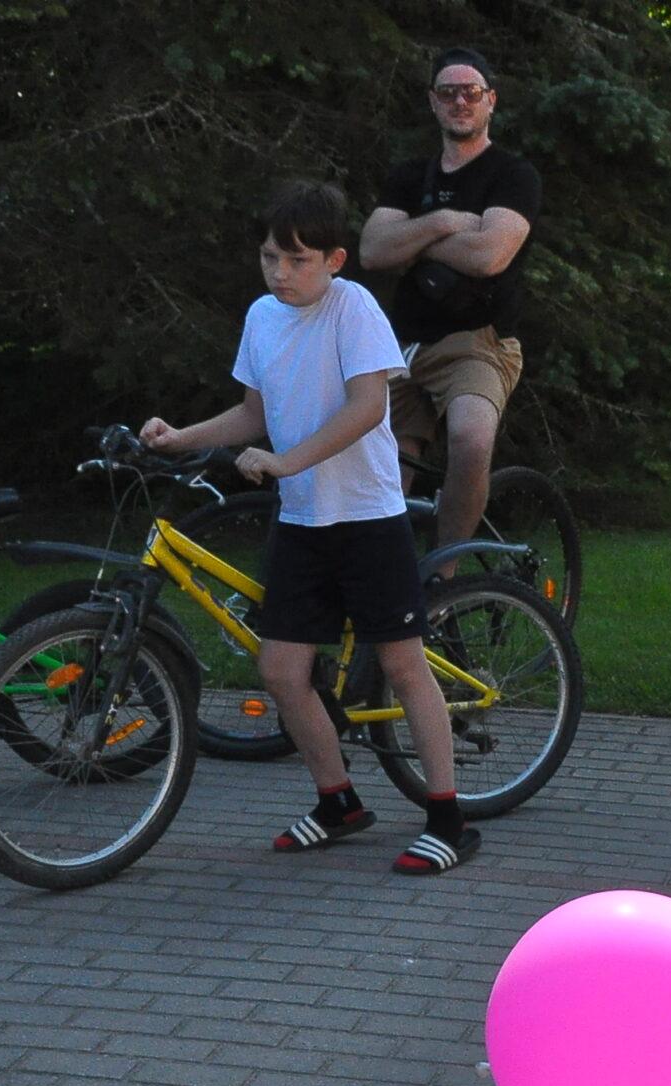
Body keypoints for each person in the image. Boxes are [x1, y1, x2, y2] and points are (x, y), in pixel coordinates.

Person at [140, 181, 476, 875]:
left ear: (335, 260)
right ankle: (338, 802)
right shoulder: (262, 316)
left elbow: (367, 407)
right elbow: (252, 413)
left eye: (298, 260)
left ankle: (448, 818)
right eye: (270, 257)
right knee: (281, 670)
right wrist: (180, 437)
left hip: (368, 518)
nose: (281, 272)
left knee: (402, 665)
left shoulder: (353, 309)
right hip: (302, 521)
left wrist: (286, 460)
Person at [359, 45, 541, 553]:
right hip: (401, 349)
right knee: (381, 473)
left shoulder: (513, 175)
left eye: (471, 92)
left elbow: (489, 256)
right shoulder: (409, 176)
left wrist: (411, 242)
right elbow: (372, 250)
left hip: (478, 344)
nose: (460, 101)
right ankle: (392, 577)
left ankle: (445, 573)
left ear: (491, 101)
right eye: (448, 92)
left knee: (471, 440)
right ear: (432, 102)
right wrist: (443, 222)